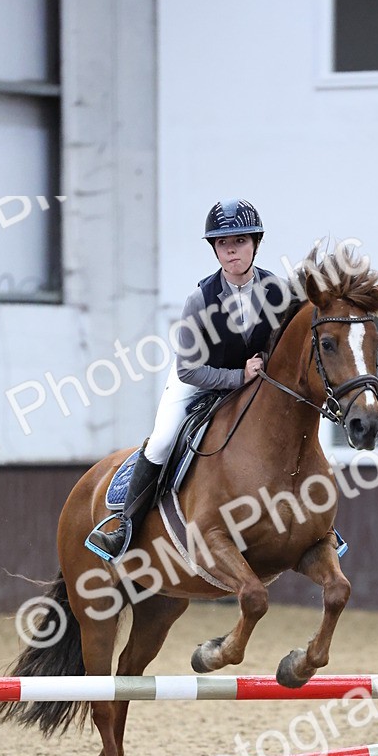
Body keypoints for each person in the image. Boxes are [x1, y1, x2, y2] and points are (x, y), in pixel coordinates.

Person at [89, 198, 289, 559]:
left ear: (256, 244)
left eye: (240, 241)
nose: (232, 251)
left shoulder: (280, 292)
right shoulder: (200, 299)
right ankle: (124, 529)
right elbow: (188, 369)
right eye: (223, 243)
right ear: (214, 249)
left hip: (257, 381)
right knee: (162, 440)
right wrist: (239, 376)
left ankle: (316, 525)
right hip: (198, 378)